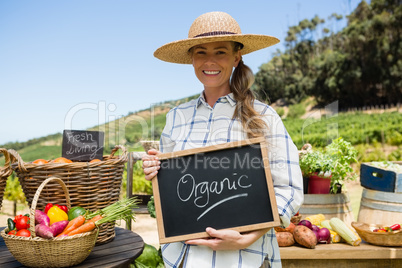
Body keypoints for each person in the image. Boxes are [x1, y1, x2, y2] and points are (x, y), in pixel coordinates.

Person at [142, 11, 303, 268]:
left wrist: (246, 238)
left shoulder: (264, 116)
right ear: (192, 59)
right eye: (201, 52)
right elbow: (171, 190)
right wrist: (155, 171)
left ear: (237, 58)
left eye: (220, 52)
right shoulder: (176, 117)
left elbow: (289, 190)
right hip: (185, 259)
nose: (210, 61)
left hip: (245, 259)